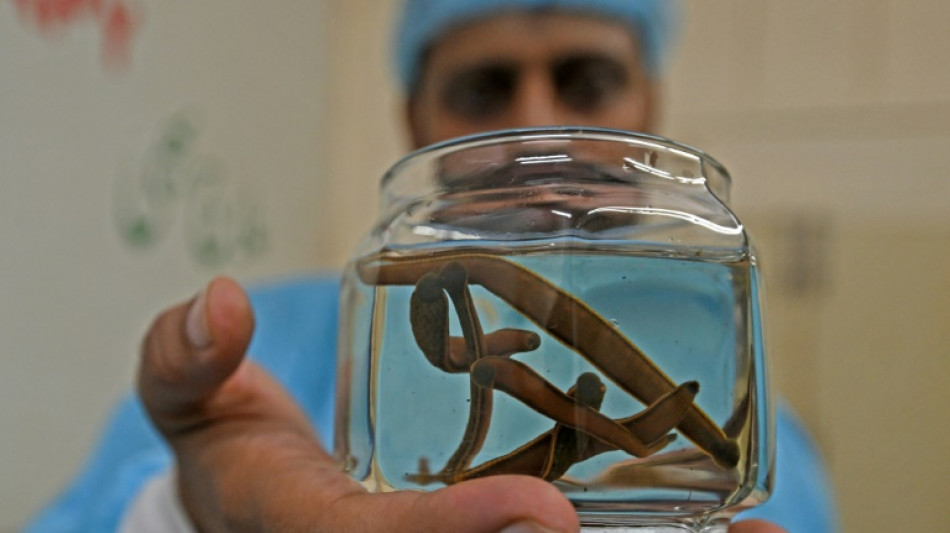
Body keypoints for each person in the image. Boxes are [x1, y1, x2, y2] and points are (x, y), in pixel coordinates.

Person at [23, 1, 838, 532]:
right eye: (484, 89)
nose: (537, 128)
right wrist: (191, 508)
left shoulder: (746, 411)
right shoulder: (262, 351)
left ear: (648, 105)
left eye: (586, 81)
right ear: (413, 117)